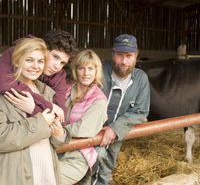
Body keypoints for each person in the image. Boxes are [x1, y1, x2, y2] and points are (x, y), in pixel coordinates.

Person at [0, 37, 71, 185]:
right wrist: (41, 122)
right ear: (17, 60)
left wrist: (59, 135)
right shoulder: (3, 95)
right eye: (29, 60)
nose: (35, 66)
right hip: (17, 175)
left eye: (40, 61)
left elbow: (58, 139)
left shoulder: (47, 92)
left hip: (46, 170)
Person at [92, 34, 150, 185]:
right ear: (113, 54)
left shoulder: (140, 78)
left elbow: (141, 111)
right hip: (89, 132)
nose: (124, 61)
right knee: (85, 166)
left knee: (106, 168)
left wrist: (115, 128)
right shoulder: (97, 70)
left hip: (116, 133)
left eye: (129, 56)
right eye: (119, 55)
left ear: (136, 56)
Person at [0, 30, 78, 122]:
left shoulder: (59, 76)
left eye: (62, 63)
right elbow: (5, 84)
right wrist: (48, 105)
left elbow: (60, 115)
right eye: (55, 57)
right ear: (44, 49)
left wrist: (33, 109)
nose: (57, 66)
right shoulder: (20, 51)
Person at [58, 50, 108, 185]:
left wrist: (54, 131)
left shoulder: (99, 100)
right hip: (56, 149)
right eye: (82, 68)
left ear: (96, 71)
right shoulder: (66, 89)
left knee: (44, 179)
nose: (86, 73)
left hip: (77, 156)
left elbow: (83, 129)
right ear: (75, 70)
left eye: (91, 68)